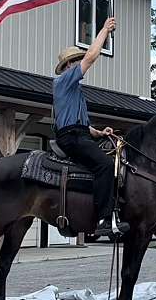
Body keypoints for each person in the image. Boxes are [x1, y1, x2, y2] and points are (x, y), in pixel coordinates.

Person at [53, 16, 129, 237]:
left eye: (78, 60)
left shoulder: (75, 91)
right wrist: (105, 29)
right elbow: (92, 56)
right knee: (104, 165)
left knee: (115, 159)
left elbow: (81, 125)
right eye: (76, 60)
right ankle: (104, 219)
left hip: (81, 134)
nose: (79, 63)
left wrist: (99, 132)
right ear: (68, 65)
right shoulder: (64, 80)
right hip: (71, 137)